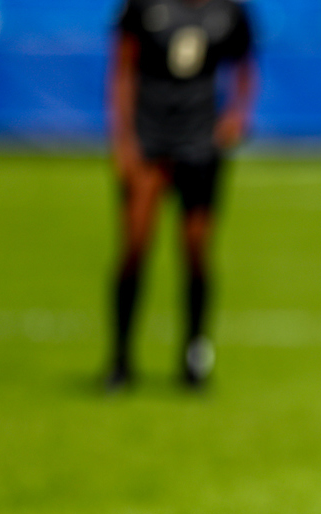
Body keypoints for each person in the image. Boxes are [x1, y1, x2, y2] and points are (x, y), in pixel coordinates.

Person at [105, 0, 256, 390]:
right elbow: (121, 69)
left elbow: (245, 68)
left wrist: (237, 115)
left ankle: (194, 357)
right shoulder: (144, 7)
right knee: (135, 247)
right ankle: (120, 361)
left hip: (200, 141)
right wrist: (123, 140)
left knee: (196, 250)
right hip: (149, 137)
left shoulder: (230, 12)